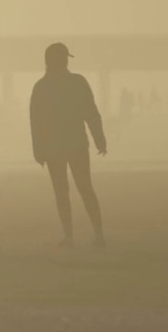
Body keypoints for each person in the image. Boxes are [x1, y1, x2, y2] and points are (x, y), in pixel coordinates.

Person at [30, 43, 109, 248]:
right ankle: (93, 234)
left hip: (61, 147)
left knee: (66, 191)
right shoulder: (76, 82)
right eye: (63, 58)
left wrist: (38, 149)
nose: (65, 61)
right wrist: (99, 138)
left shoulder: (42, 87)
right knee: (82, 189)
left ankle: (73, 236)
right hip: (73, 145)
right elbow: (90, 113)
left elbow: (36, 122)